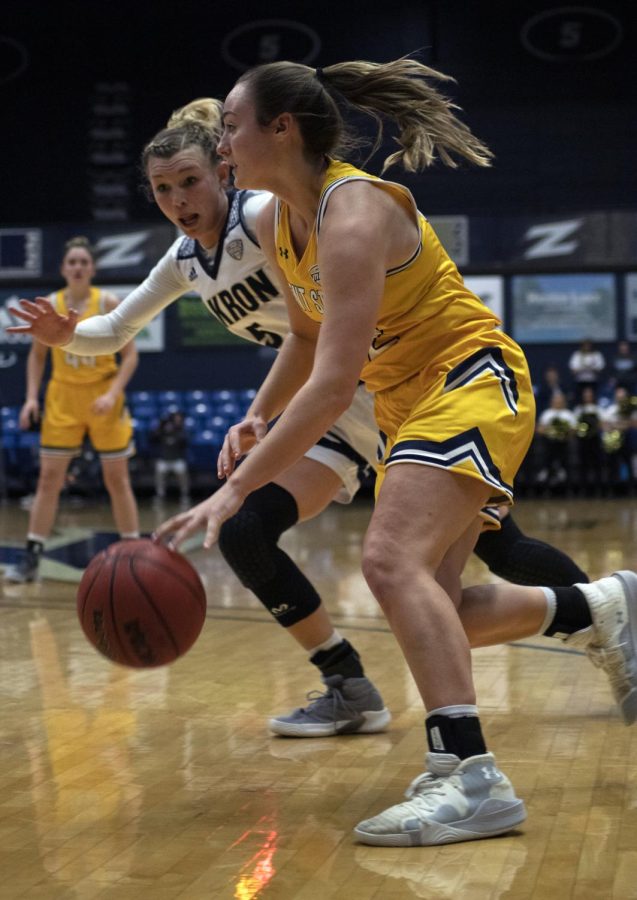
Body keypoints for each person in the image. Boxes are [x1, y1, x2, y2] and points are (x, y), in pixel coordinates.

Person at [144, 58, 637, 847]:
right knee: (442, 613)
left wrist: (237, 489)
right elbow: (305, 338)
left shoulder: (354, 213)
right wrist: (256, 414)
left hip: (469, 380)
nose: (223, 140)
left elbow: (336, 385)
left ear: (283, 129)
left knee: (387, 562)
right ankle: (602, 606)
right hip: (413, 406)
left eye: (232, 124)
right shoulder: (276, 219)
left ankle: (468, 777)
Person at [6, 99, 590, 731]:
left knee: (499, 554)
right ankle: (347, 682)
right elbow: (116, 327)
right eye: (163, 189)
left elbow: (309, 337)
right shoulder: (182, 261)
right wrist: (68, 335)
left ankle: (607, 619)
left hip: (385, 388)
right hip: (333, 409)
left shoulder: (266, 216)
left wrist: (259, 416)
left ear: (223, 172)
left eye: (190, 181)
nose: (178, 199)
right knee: (246, 531)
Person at [4, 236, 139, 583]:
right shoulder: (50, 304)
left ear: (92, 268)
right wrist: (31, 398)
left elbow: (131, 356)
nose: (78, 267)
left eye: (84, 262)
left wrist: (112, 393)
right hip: (63, 395)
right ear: (64, 269)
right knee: (48, 479)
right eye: (72, 262)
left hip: (102, 395)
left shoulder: (107, 301)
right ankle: (31, 557)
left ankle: (134, 554)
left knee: (117, 478)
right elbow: (36, 358)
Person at [150, 410, 190, 505]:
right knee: (159, 470)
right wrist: (161, 427)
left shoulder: (180, 431)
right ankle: (160, 494)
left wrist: (177, 428)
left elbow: (185, 442)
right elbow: (152, 439)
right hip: (164, 460)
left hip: (177, 460)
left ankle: (185, 494)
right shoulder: (161, 432)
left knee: (182, 471)